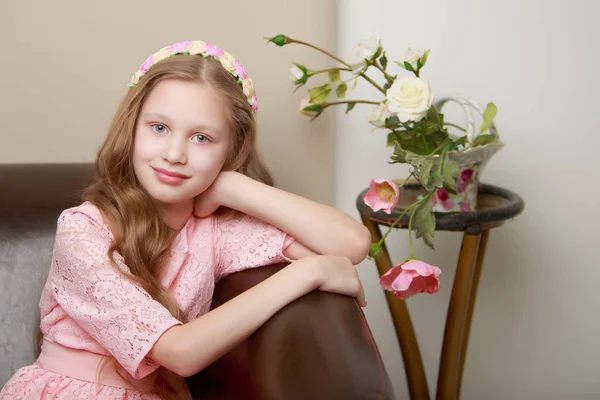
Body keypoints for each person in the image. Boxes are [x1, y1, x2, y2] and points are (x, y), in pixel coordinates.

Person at [0, 40, 371, 399]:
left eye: (202, 138)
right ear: (131, 128)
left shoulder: (214, 234)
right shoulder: (82, 229)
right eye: (159, 128)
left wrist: (233, 187)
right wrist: (309, 272)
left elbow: (352, 244)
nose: (175, 154)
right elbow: (179, 352)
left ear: (232, 147)